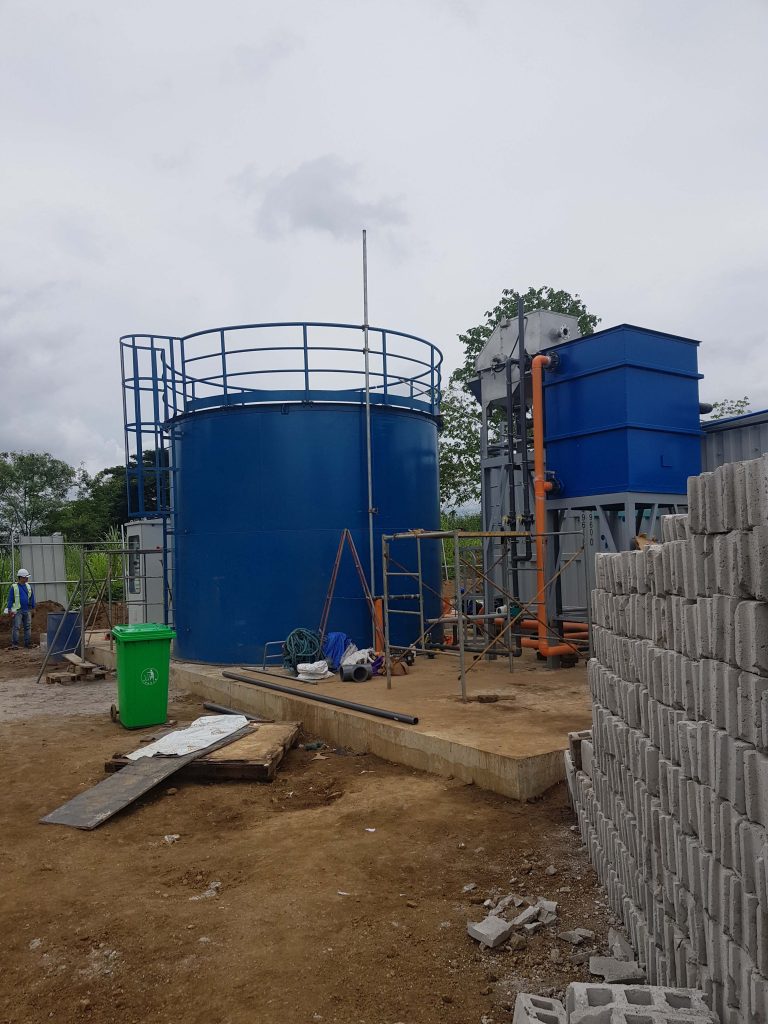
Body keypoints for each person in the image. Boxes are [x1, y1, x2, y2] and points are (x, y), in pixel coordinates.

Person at [6, 569, 36, 649]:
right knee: (16, 627)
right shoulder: (14, 587)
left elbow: (32, 598)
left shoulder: (28, 586)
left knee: (27, 627)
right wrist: (9, 609)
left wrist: (33, 608)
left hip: (27, 610)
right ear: (21, 578)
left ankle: (27, 644)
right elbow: (10, 599)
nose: (27, 578)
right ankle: (15, 644)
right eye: (26, 577)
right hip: (18, 610)